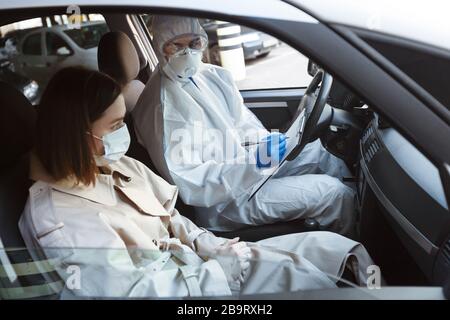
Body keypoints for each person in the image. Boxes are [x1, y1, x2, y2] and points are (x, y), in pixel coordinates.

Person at [19, 67, 374, 298]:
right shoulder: (59, 217)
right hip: (193, 289)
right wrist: (219, 271)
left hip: (200, 265)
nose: (123, 133)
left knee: (336, 250)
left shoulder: (115, 165)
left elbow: (171, 217)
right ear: (76, 134)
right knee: (316, 283)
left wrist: (210, 245)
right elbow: (129, 293)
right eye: (114, 126)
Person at [132, 16, 356, 235]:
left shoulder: (210, 75)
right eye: (176, 46)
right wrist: (254, 162)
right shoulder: (160, 108)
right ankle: (357, 255)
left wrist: (264, 143)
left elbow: (242, 123)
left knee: (322, 153)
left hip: (246, 166)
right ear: (161, 46)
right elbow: (193, 184)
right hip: (224, 201)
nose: (188, 53)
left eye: (193, 43)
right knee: (334, 194)